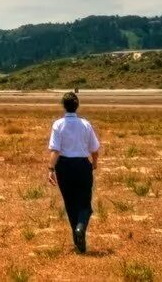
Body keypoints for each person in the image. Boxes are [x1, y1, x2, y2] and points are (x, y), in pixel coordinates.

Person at [47, 90, 100, 253]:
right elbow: (95, 148)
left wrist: (51, 168)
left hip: (64, 167)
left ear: (64, 106)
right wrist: (95, 163)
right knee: (85, 205)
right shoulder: (85, 124)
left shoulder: (58, 124)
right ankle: (80, 230)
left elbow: (55, 150)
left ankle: (78, 242)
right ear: (77, 106)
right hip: (82, 166)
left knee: (70, 205)